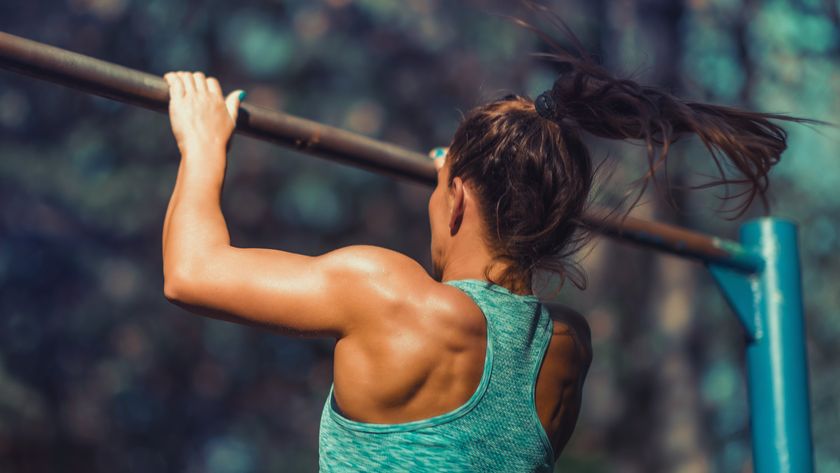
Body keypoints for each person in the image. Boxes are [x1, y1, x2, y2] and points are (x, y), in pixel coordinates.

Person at [160, 22, 813, 470]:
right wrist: (462, 177)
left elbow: (190, 273)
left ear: (460, 202)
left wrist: (202, 147)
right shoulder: (566, 348)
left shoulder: (384, 291)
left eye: (440, 190)